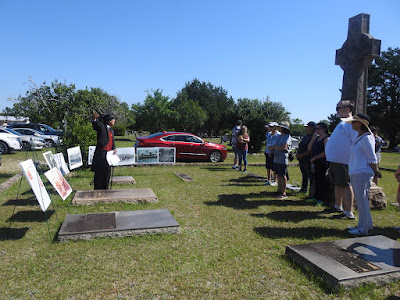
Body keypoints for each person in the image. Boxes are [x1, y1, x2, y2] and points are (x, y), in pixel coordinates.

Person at [341, 114, 381, 236]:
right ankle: (365, 225)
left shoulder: (366, 138)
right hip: (357, 171)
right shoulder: (360, 137)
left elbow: (371, 157)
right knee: (361, 199)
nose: (352, 124)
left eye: (354, 122)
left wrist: (375, 171)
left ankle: (363, 229)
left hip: (362, 172)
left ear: (361, 124)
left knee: (362, 200)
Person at [325, 100, 358, 219]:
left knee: (346, 185)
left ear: (347, 109)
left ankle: (349, 212)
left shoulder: (351, 123)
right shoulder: (342, 123)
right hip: (336, 161)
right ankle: (337, 205)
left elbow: (356, 142)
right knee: (338, 184)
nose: (336, 111)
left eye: (338, 108)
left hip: (344, 161)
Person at [91, 111, 117, 190]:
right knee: (100, 172)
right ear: (109, 120)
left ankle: (105, 188)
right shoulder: (102, 127)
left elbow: (112, 141)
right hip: (101, 153)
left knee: (107, 172)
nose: (114, 121)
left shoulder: (111, 130)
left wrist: (114, 148)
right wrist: (94, 119)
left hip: (109, 153)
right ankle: (98, 188)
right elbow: (96, 125)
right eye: (113, 119)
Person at [306, 122, 329, 207]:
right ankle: (315, 197)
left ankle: (321, 199)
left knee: (321, 181)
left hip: (322, 162)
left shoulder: (326, 139)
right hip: (315, 163)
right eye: (316, 129)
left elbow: (326, 152)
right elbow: (309, 148)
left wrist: (315, 158)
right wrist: (313, 138)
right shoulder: (316, 138)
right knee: (316, 180)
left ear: (324, 129)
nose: (317, 130)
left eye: (318, 128)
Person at [269, 121, 291, 199]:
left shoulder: (287, 137)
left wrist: (273, 148)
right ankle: (279, 190)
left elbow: (283, 147)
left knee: (283, 175)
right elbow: (276, 145)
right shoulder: (279, 136)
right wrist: (272, 151)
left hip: (282, 159)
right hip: (276, 158)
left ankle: (284, 192)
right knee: (279, 175)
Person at [296, 121, 316, 194]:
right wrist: (298, 154)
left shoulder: (313, 137)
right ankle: (304, 189)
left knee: (310, 175)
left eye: (308, 127)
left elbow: (310, 150)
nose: (306, 128)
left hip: (308, 159)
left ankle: (311, 191)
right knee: (304, 174)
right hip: (302, 159)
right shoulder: (306, 136)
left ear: (312, 128)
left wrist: (302, 155)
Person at [264, 122, 280, 186]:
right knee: (268, 167)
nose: (270, 128)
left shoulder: (278, 134)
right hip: (268, 152)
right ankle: (269, 180)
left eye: (272, 127)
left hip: (275, 153)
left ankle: (275, 180)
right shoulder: (268, 134)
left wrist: (273, 150)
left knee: (274, 167)